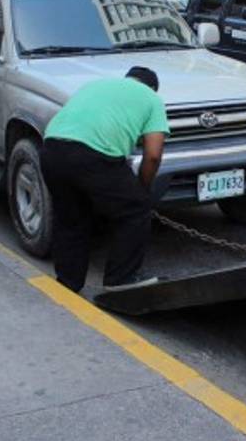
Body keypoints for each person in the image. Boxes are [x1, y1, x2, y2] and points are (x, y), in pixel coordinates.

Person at [41, 66, 169, 292]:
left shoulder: (96, 85)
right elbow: (153, 155)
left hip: (52, 149)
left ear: (128, 79)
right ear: (152, 88)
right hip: (93, 155)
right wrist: (142, 189)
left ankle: (68, 284)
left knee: (72, 220)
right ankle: (121, 280)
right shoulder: (152, 99)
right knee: (136, 209)